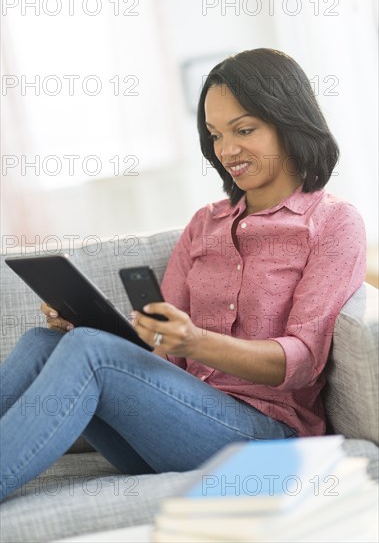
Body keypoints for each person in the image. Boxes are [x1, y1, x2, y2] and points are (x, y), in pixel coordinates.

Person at [0, 48, 366, 502]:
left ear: (289, 122)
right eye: (215, 135)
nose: (227, 150)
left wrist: (196, 341)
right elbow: (159, 354)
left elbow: (302, 362)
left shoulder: (333, 223)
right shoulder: (205, 224)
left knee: (90, 352)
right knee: (45, 343)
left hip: (265, 439)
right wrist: (96, 325)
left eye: (244, 129)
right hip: (173, 428)